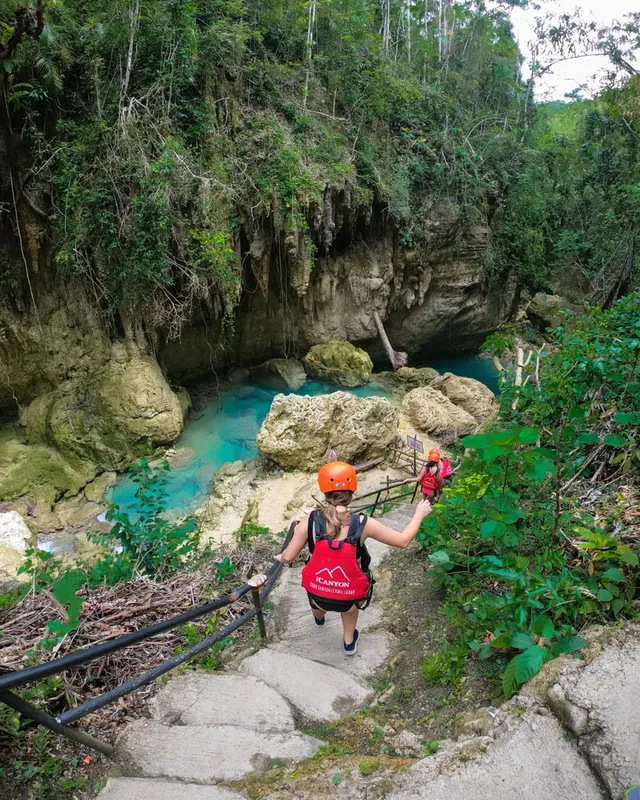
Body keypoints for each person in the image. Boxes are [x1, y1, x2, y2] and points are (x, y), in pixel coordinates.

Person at [275, 461, 432, 655]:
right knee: (349, 607)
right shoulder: (363, 523)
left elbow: (289, 556)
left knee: (317, 600)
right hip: (349, 595)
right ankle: (349, 642)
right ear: (352, 491)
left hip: (318, 592)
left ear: (324, 492)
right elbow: (403, 540)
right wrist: (419, 514)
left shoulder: (311, 520)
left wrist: (280, 555)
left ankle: (319, 618)